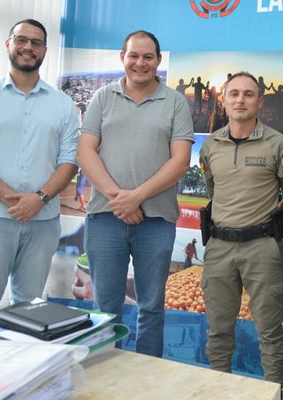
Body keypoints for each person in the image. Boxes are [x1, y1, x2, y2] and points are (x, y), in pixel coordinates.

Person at [78, 30, 194, 357]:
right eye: (134, 56)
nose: (140, 63)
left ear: (158, 60)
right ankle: (104, 381)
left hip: (155, 221)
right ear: (123, 58)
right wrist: (120, 199)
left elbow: (181, 160)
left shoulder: (174, 102)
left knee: (152, 308)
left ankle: (147, 382)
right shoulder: (102, 97)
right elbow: (86, 152)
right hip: (105, 218)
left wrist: (136, 197)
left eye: (148, 57)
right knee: (105, 309)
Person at [0, 19, 80, 318]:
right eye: (21, 39)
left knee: (29, 311)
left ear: (45, 51)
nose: (28, 47)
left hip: (42, 222)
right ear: (8, 44)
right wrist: (12, 199)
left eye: (36, 43)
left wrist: (37, 199)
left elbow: (70, 162)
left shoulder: (63, 105)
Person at [199, 71, 283, 383]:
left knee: (269, 332)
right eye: (234, 94)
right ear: (224, 100)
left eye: (248, 94)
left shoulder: (278, 145)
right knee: (218, 330)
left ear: (260, 101)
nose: (240, 100)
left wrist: (268, 219)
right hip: (218, 247)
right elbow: (212, 190)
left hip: (262, 248)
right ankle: (220, 390)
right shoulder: (210, 146)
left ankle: (273, 392)